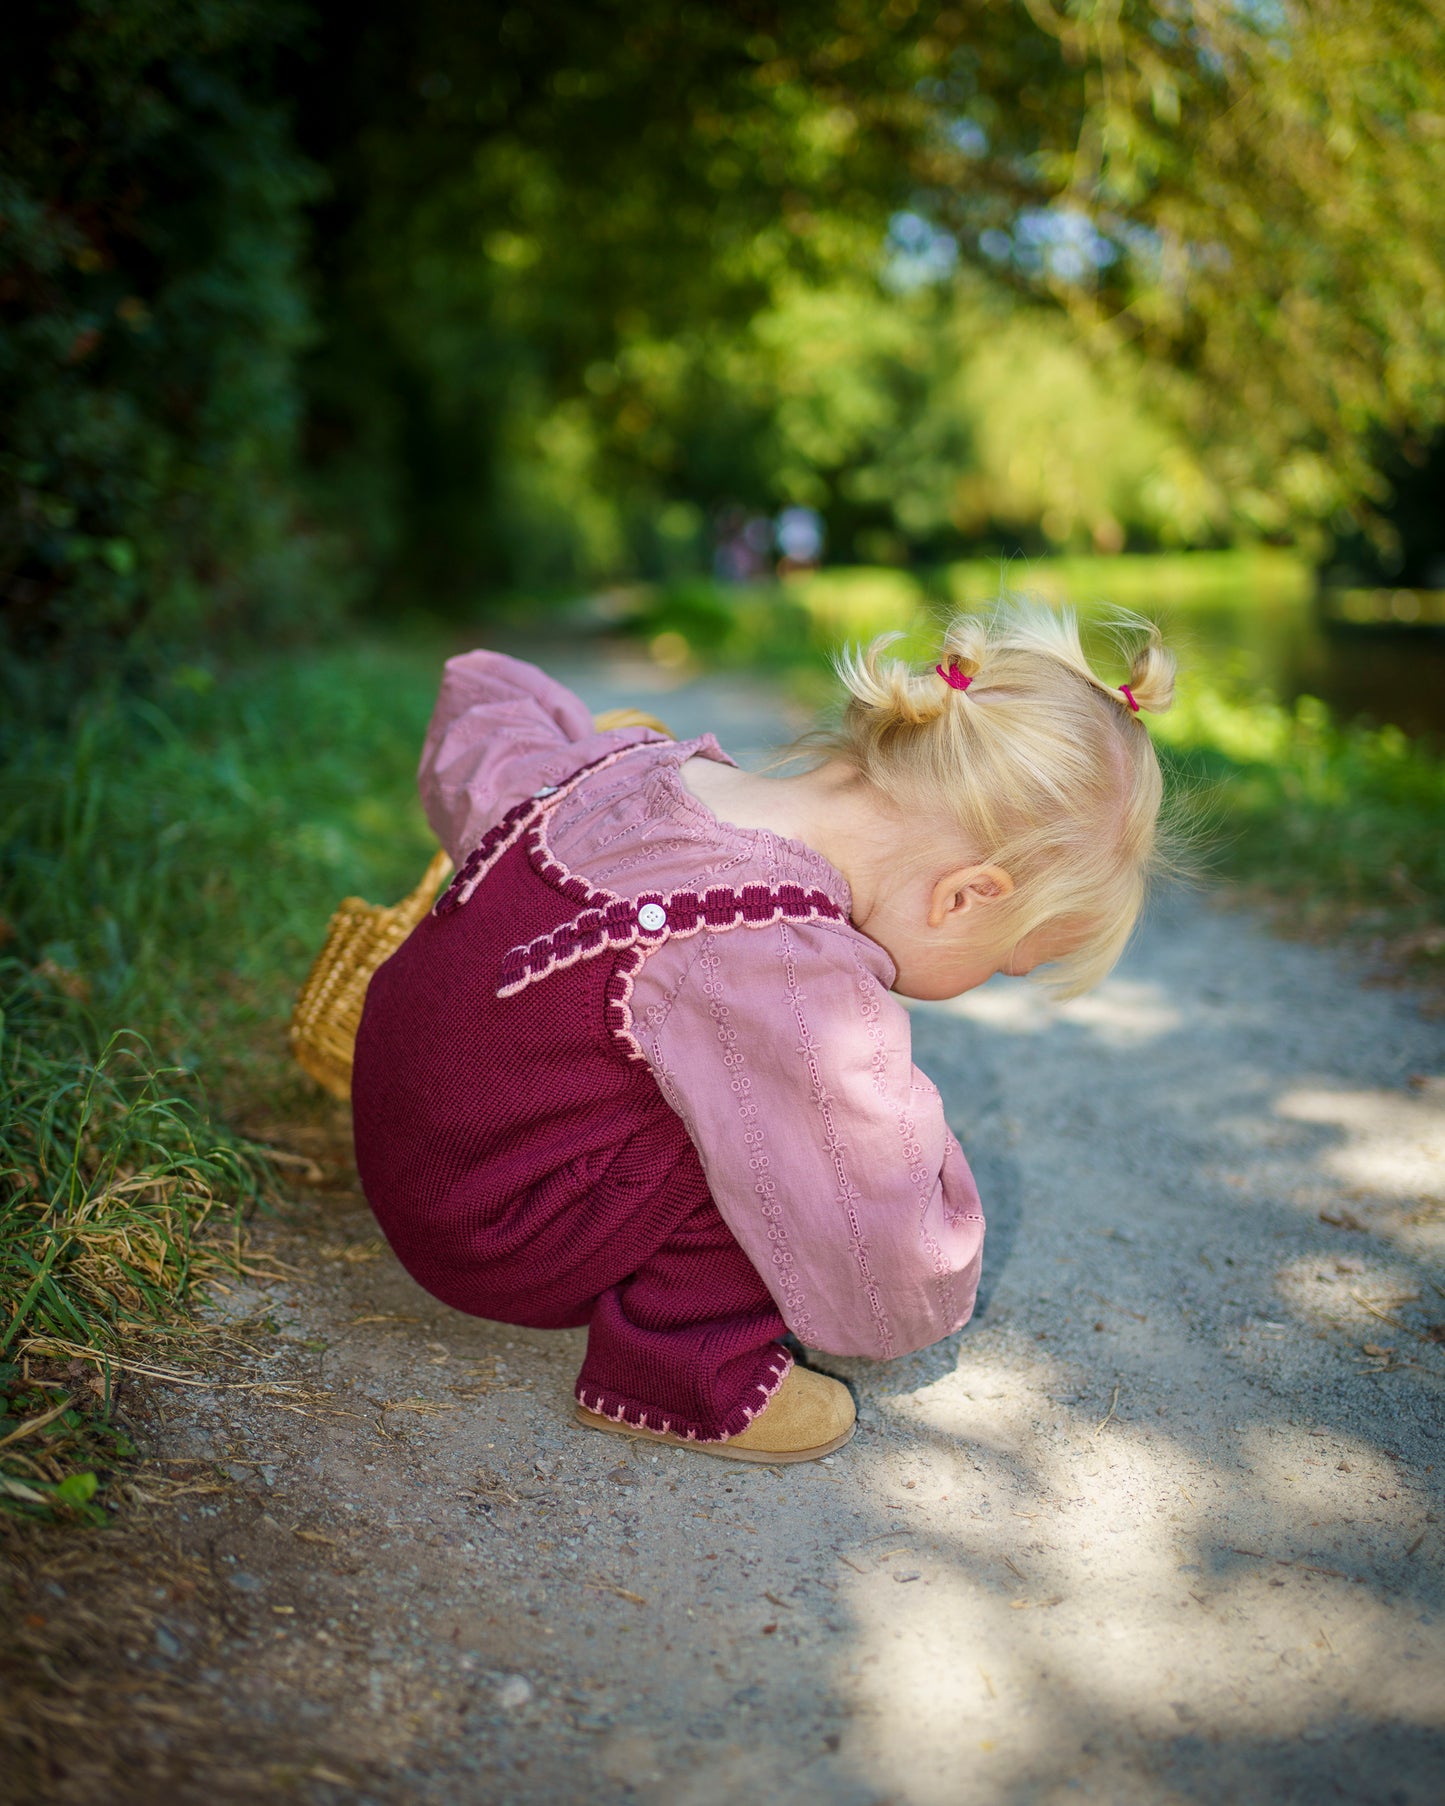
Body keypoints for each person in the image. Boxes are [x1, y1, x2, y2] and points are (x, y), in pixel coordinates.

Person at [351, 603, 1177, 1464]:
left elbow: (486, 708)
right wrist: (928, 1243)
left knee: (714, 1078)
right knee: (790, 1137)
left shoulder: (635, 765)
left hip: (419, 1140)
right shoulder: (776, 955)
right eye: (1009, 961)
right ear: (965, 895)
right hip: (492, 1229)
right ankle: (682, 1372)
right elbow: (873, 1222)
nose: (991, 981)